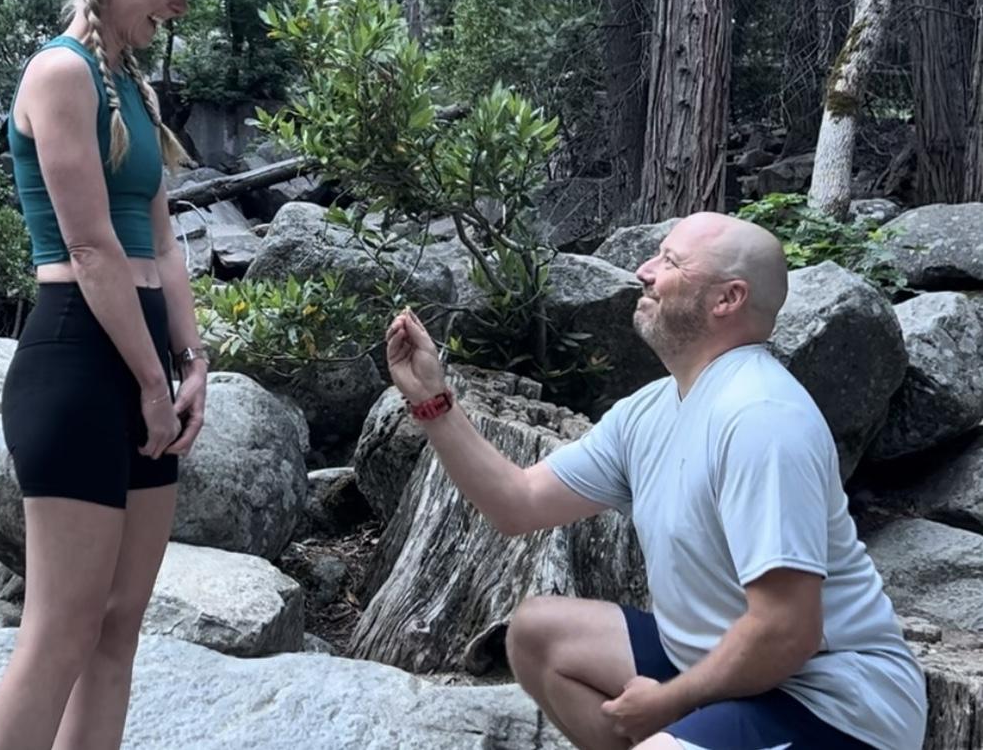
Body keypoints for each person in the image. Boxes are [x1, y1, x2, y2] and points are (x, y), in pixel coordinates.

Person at [385, 211, 927, 750]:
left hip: (833, 704)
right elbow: (518, 503)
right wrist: (432, 401)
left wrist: (670, 701)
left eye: (670, 261)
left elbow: (787, 630)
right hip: (727, 671)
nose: (643, 270)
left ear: (727, 299)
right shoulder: (649, 410)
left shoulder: (762, 418)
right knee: (538, 634)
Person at [0, 0, 238, 750]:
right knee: (62, 627)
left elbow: (161, 243)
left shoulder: (132, 86)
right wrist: (149, 384)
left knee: (119, 623)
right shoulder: (60, 74)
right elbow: (91, 250)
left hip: (141, 360)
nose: (183, 1)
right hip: (77, 361)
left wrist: (191, 362)